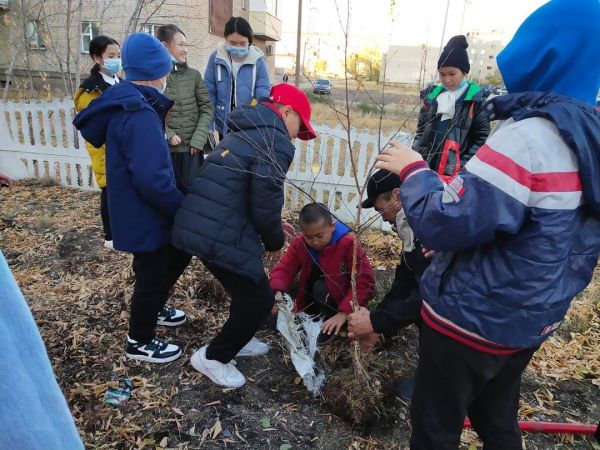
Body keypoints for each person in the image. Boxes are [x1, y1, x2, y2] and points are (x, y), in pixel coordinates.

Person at [374, 0, 600, 447]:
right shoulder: (590, 138)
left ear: (540, 50)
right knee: (496, 418)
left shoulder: (528, 137)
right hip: (529, 321)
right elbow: (537, 231)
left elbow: (442, 222)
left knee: (435, 427)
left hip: (471, 321)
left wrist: (414, 170)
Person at [171, 83, 317, 388]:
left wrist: (272, 223)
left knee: (247, 286)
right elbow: (265, 200)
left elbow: (241, 187)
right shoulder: (275, 139)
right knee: (258, 300)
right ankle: (213, 358)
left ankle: (241, 338)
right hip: (219, 229)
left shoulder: (247, 130)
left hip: (205, 222)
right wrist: (274, 241)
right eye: (299, 127)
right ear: (286, 111)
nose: (296, 136)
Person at [73, 33, 192, 364]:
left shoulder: (135, 103)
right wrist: (180, 208)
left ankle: (155, 307)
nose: (168, 76)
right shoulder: (138, 113)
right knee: (151, 272)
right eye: (166, 70)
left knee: (177, 253)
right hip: (145, 211)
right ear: (155, 72)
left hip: (139, 206)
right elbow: (151, 177)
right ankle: (140, 340)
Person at [347, 169, 430, 399]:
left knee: (433, 321)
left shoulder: (427, 229)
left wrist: (375, 322)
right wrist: (377, 324)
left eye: (380, 209)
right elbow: (404, 282)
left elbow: (426, 296)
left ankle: (435, 386)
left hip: (469, 319)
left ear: (397, 195)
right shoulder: (411, 227)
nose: (382, 218)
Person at [269, 202, 376, 345]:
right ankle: (308, 316)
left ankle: (331, 322)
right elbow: (285, 268)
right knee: (284, 289)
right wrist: (277, 292)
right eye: (308, 237)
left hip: (339, 300)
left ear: (332, 226)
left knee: (320, 288)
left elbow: (364, 282)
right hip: (312, 294)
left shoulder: (348, 244)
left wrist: (344, 312)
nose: (315, 242)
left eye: (319, 236)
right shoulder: (301, 243)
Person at [413, 35, 490, 183]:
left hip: (455, 176)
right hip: (425, 168)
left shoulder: (475, 101)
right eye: (442, 74)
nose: (446, 80)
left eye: (452, 74)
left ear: (464, 72)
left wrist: (462, 166)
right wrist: (417, 155)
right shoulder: (432, 97)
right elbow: (421, 130)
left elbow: (482, 139)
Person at [74, 35, 121, 249]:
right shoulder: (90, 89)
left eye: (118, 55)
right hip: (103, 146)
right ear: (97, 58)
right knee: (108, 190)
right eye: (111, 56)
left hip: (122, 144)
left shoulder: (121, 83)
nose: (116, 60)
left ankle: (123, 229)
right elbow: (91, 124)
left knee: (122, 189)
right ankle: (110, 235)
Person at [157, 24, 212, 191]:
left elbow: (206, 108)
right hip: (167, 150)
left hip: (192, 150)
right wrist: (168, 133)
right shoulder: (156, 78)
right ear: (165, 46)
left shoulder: (194, 75)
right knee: (170, 192)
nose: (185, 50)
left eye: (186, 45)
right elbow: (152, 111)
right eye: (181, 44)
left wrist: (199, 139)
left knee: (193, 193)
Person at [204, 16, 271, 138]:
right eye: (233, 43)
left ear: (249, 41)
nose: (237, 47)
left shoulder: (258, 60)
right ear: (226, 40)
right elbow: (209, 92)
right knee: (225, 149)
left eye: (242, 43)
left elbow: (262, 90)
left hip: (248, 123)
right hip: (223, 121)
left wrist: (253, 107)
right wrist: (209, 123)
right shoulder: (216, 58)